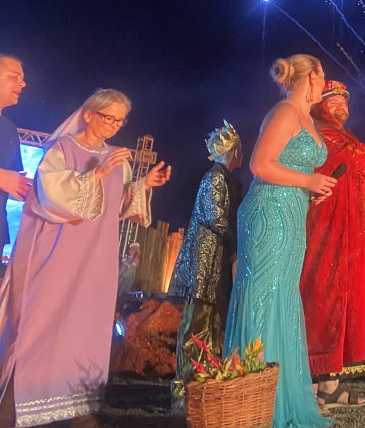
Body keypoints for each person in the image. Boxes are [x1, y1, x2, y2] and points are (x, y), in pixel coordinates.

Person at [0, 88, 171, 427]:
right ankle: (16, 405)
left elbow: (115, 207)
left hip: (96, 259)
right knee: (42, 324)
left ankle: (78, 407)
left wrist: (142, 186)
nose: (114, 125)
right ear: (89, 114)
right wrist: (97, 174)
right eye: (108, 117)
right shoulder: (62, 149)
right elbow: (50, 196)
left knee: (84, 328)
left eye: (120, 121)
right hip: (58, 255)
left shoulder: (117, 159)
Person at [223, 55, 337, 428]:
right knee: (263, 297)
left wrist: (309, 188)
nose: (326, 84)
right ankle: (251, 401)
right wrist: (307, 181)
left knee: (282, 298)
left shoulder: (307, 117)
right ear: (311, 77)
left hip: (292, 213)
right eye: (323, 76)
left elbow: (291, 167)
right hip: (268, 213)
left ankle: (277, 398)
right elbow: (260, 165)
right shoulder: (285, 112)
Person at [299, 79, 365, 410]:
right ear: (319, 103)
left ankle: (330, 386)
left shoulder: (345, 136)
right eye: (334, 99)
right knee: (319, 301)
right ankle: (308, 388)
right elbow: (347, 158)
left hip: (347, 235)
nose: (343, 104)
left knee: (339, 305)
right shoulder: (318, 130)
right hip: (324, 231)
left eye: (345, 100)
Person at [168, 121, 244, 406]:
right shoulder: (214, 178)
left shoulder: (227, 180)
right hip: (204, 267)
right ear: (233, 151)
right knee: (197, 324)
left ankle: (206, 385)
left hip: (216, 265)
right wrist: (240, 238)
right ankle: (185, 391)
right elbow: (215, 218)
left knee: (213, 325)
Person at [0, 55, 31, 253]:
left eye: (23, 79)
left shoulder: (10, 129)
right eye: (14, 77)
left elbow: (15, 184)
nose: (23, 84)